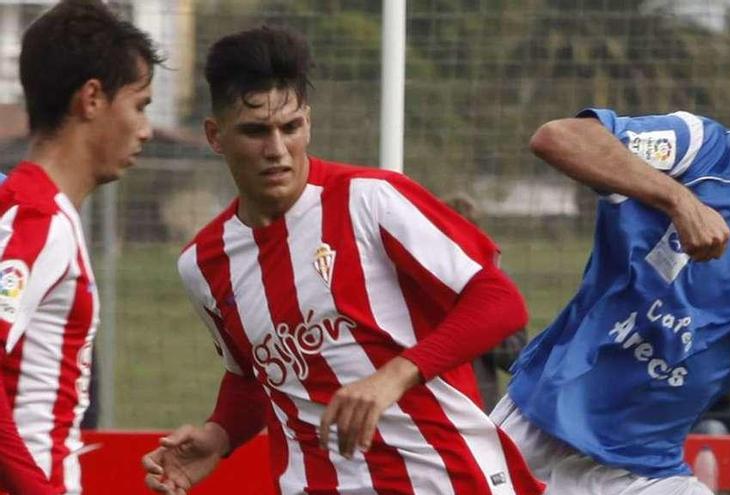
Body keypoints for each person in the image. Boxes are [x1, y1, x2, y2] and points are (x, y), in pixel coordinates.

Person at [141, 27, 543, 495]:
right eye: (255, 131)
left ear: (307, 124)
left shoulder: (369, 201)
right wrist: (218, 435)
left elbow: (501, 301)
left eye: (289, 128)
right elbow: (254, 377)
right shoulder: (204, 266)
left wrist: (393, 376)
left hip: (443, 478)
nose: (276, 150)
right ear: (215, 135)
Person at [492, 24, 730, 495]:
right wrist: (680, 201)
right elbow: (558, 137)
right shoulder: (693, 148)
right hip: (540, 429)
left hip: (646, 472)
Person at [0, 1, 160, 493]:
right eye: (139, 105)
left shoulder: (37, 210)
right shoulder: (36, 218)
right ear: (91, 98)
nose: (146, 130)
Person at [443, 193, 528, 413]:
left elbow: (515, 357)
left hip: (476, 408)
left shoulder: (496, 285)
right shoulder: (414, 279)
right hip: (428, 404)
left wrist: (477, 322)